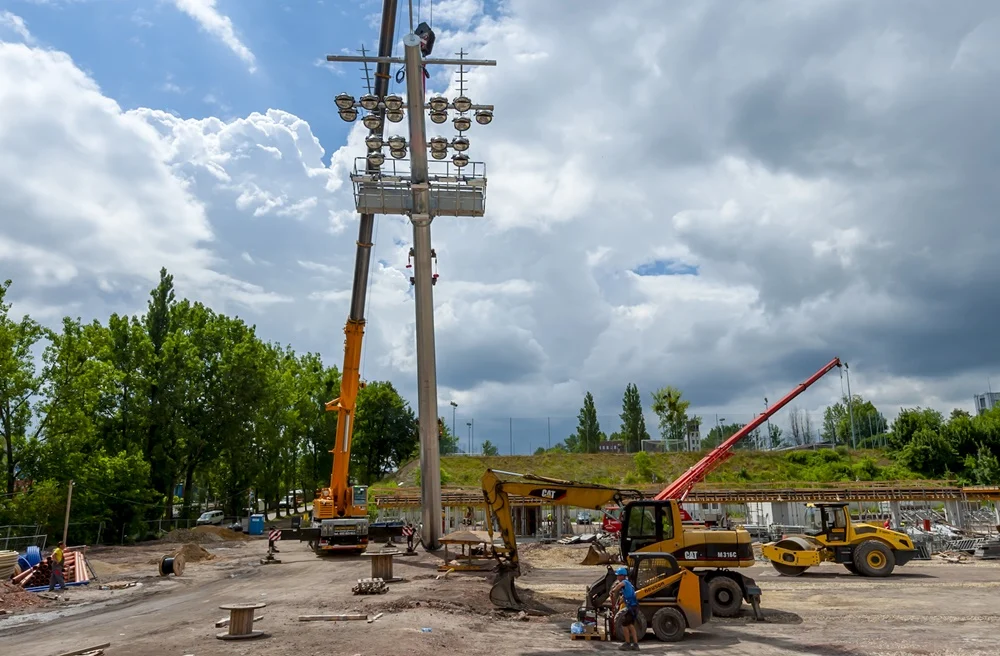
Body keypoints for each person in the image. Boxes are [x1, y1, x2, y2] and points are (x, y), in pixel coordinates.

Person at [610, 566, 640, 650]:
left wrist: (612, 590)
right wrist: (618, 603)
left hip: (631, 607)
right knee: (630, 625)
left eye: (618, 575)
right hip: (634, 607)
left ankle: (627, 643)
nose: (617, 577)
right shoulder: (628, 585)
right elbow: (624, 597)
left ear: (622, 576)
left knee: (624, 624)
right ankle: (635, 644)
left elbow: (620, 585)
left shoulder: (625, 582)